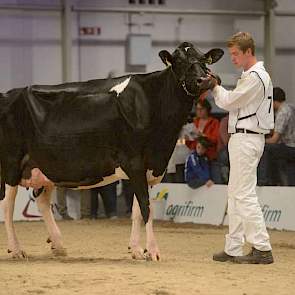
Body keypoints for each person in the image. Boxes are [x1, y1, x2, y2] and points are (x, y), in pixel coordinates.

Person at [210, 32, 274, 264]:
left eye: (236, 54)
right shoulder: (252, 75)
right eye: (231, 54)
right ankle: (234, 246)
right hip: (244, 138)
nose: (233, 58)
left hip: (247, 139)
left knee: (243, 194)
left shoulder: (255, 77)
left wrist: (215, 87)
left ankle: (262, 248)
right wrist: (217, 86)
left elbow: (230, 101)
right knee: (235, 194)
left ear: (248, 51)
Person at [258, 87, 295, 186]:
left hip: (290, 147)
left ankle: (263, 181)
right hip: (291, 146)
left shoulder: (282, 113)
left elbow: (274, 139)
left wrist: (260, 140)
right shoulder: (290, 107)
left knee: (265, 148)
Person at [185, 97, 222, 184]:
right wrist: (188, 139)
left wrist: (203, 136)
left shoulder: (214, 122)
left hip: (210, 156)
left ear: (207, 109)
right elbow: (190, 144)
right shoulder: (194, 122)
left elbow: (215, 139)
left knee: (215, 181)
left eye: (201, 109)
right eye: (197, 109)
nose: (199, 111)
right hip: (197, 157)